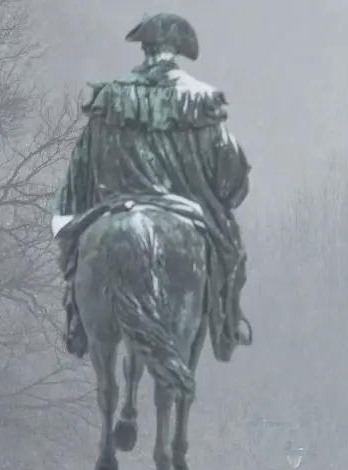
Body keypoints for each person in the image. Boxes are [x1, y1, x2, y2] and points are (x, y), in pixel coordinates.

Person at [54, 13, 253, 362]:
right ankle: (228, 325)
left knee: (76, 253)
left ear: (145, 48)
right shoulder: (201, 99)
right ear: (177, 49)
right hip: (185, 208)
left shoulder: (110, 97)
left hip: (112, 206)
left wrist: (69, 214)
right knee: (232, 254)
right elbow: (230, 172)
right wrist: (224, 198)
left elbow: (80, 166)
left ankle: (76, 321)